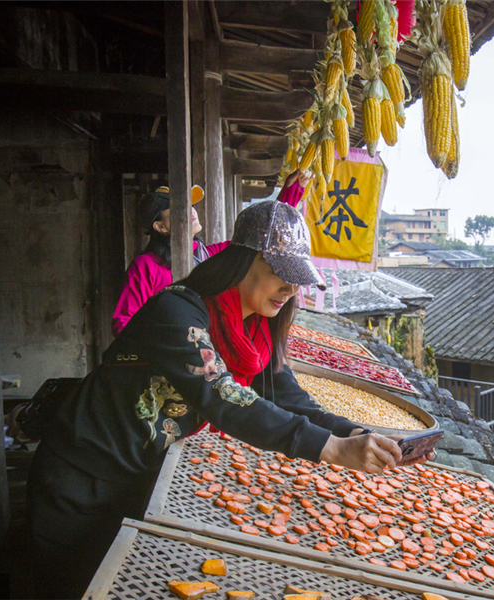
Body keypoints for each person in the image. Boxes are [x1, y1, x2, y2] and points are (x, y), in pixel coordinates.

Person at [27, 199, 429, 599]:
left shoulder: (255, 331)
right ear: (241, 261)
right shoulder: (178, 310)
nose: (290, 290)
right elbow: (222, 396)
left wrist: (362, 435)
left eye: (296, 280)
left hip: (136, 476)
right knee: (70, 585)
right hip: (80, 477)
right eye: (279, 274)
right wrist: (334, 449)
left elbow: (292, 399)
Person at [112, 170, 313, 336]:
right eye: (177, 208)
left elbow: (262, 235)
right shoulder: (146, 266)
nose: (190, 210)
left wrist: (291, 191)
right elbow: (122, 323)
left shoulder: (209, 254)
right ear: (159, 226)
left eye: (189, 204)